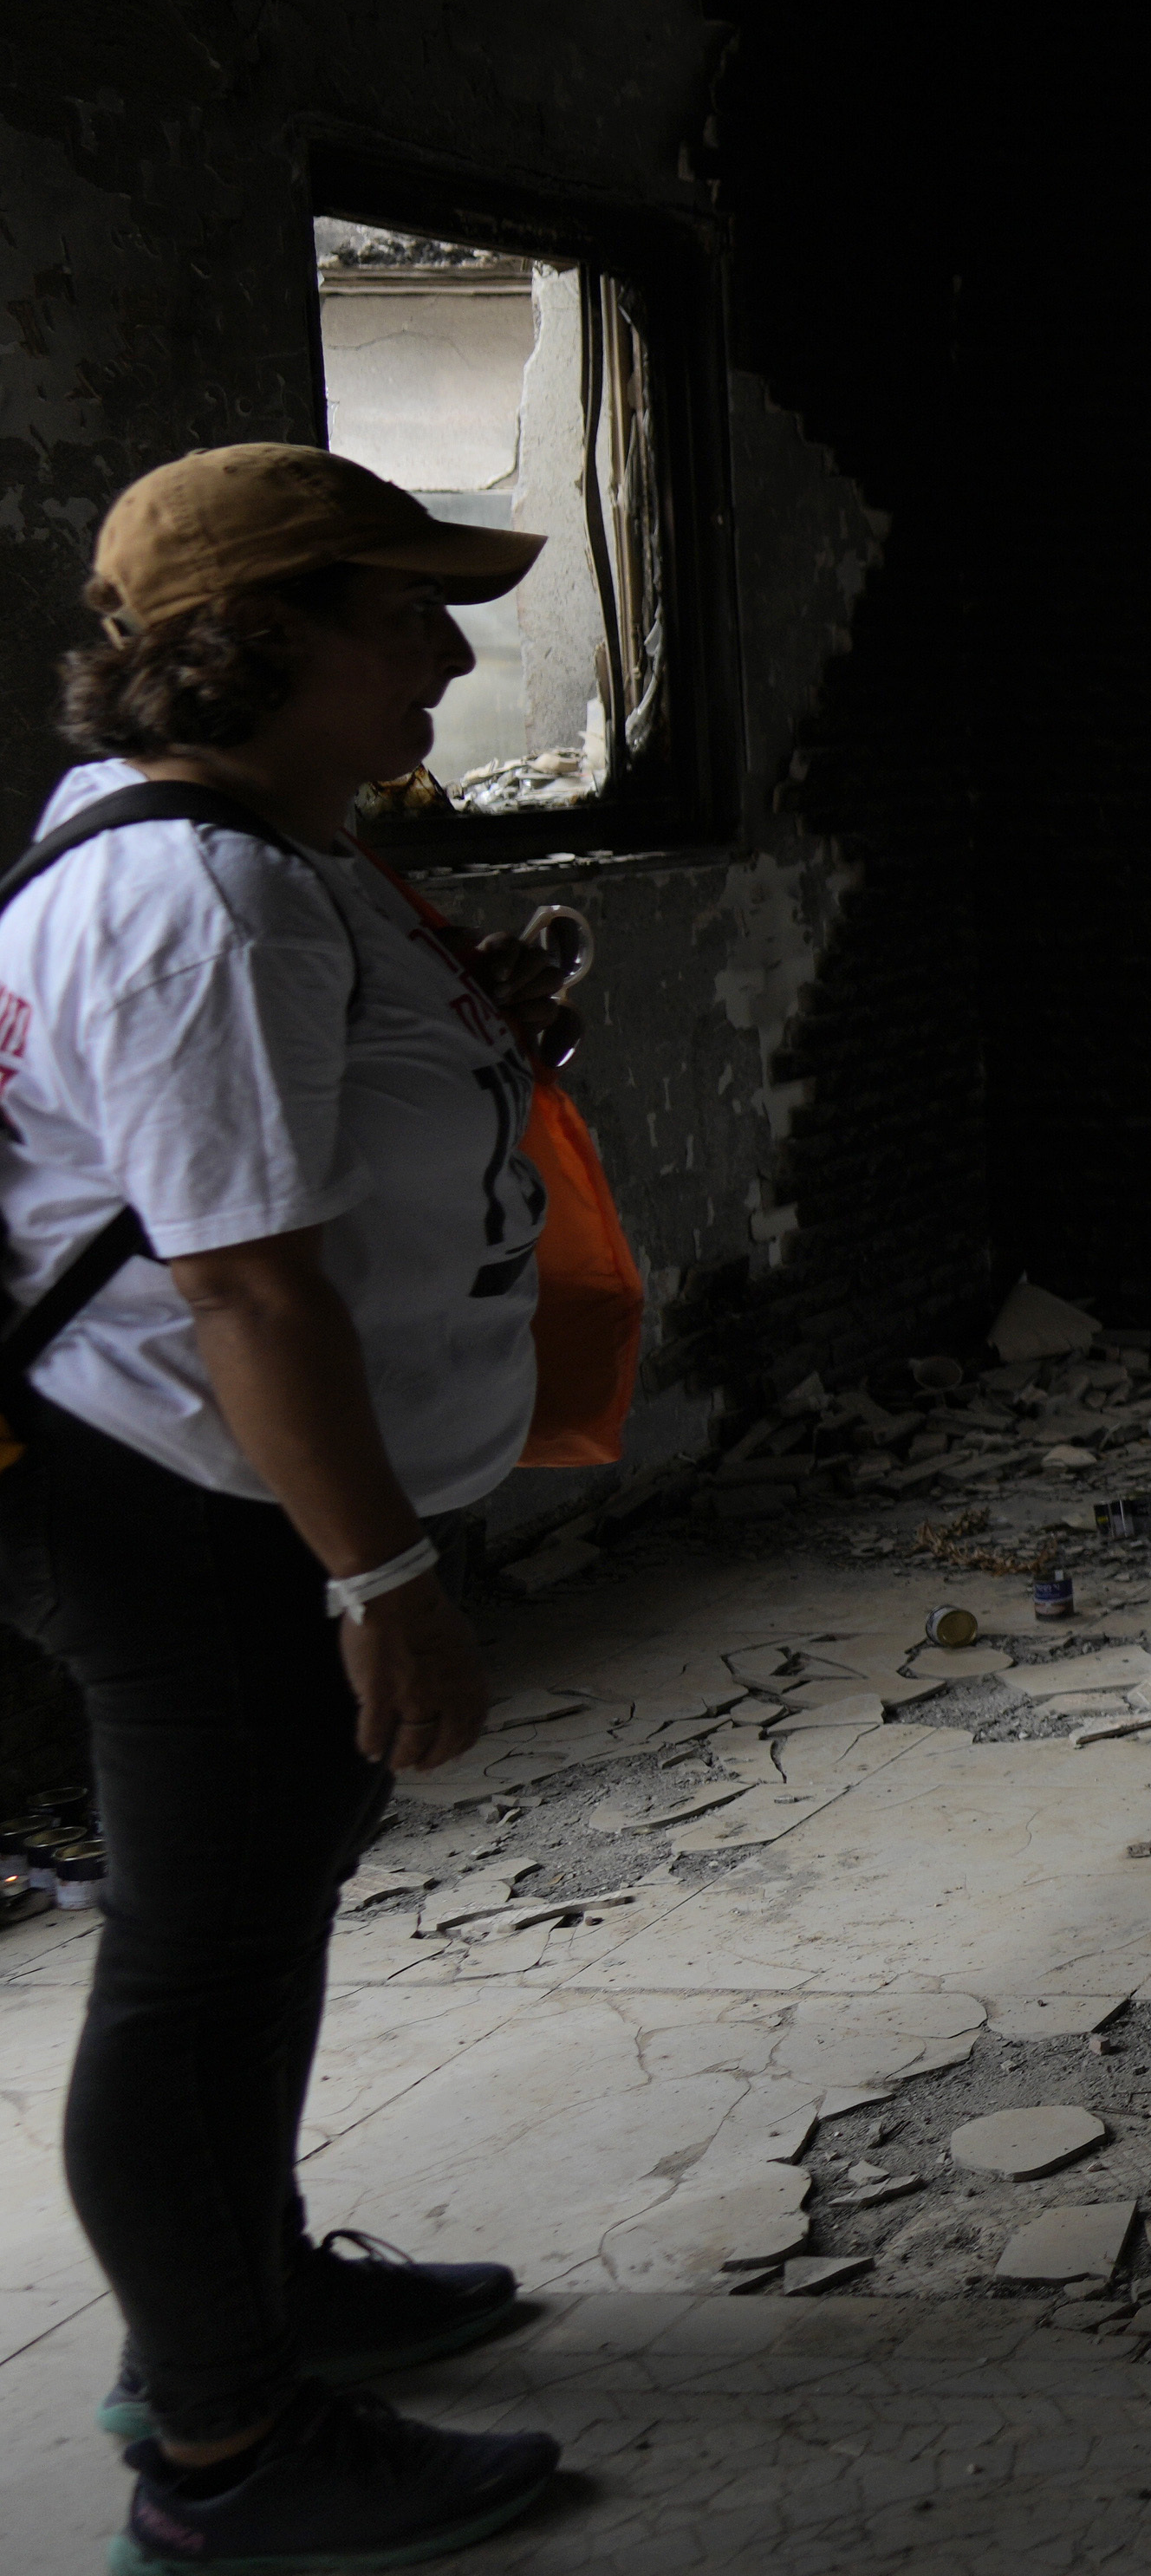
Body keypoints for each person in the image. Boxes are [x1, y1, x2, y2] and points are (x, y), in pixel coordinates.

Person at [3, 446, 589, 2573]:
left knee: (256, 1929)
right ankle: (223, 2448)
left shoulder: (272, 858)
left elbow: (297, 1124)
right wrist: (385, 1578)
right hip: (188, 1500)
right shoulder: (202, 893)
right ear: (259, 643)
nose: (446, 650)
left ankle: (250, 2289)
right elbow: (238, 1277)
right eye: (397, 615)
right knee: (199, 1958)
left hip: (237, 1491)